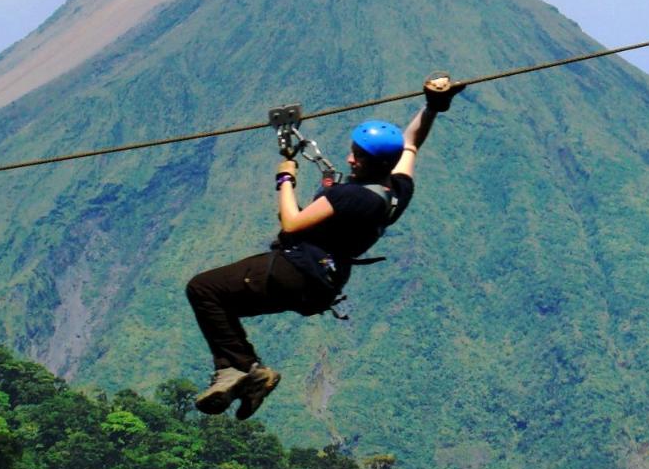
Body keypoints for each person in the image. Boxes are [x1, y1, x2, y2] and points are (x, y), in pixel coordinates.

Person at [186, 75, 461, 419]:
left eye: (357, 157)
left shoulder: (348, 196)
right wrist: (432, 107)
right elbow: (411, 144)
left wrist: (286, 177)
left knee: (203, 288)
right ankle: (240, 371)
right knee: (221, 300)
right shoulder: (396, 194)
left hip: (296, 269)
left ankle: (244, 369)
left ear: (369, 162)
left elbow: (292, 222)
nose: (349, 159)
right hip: (323, 285)